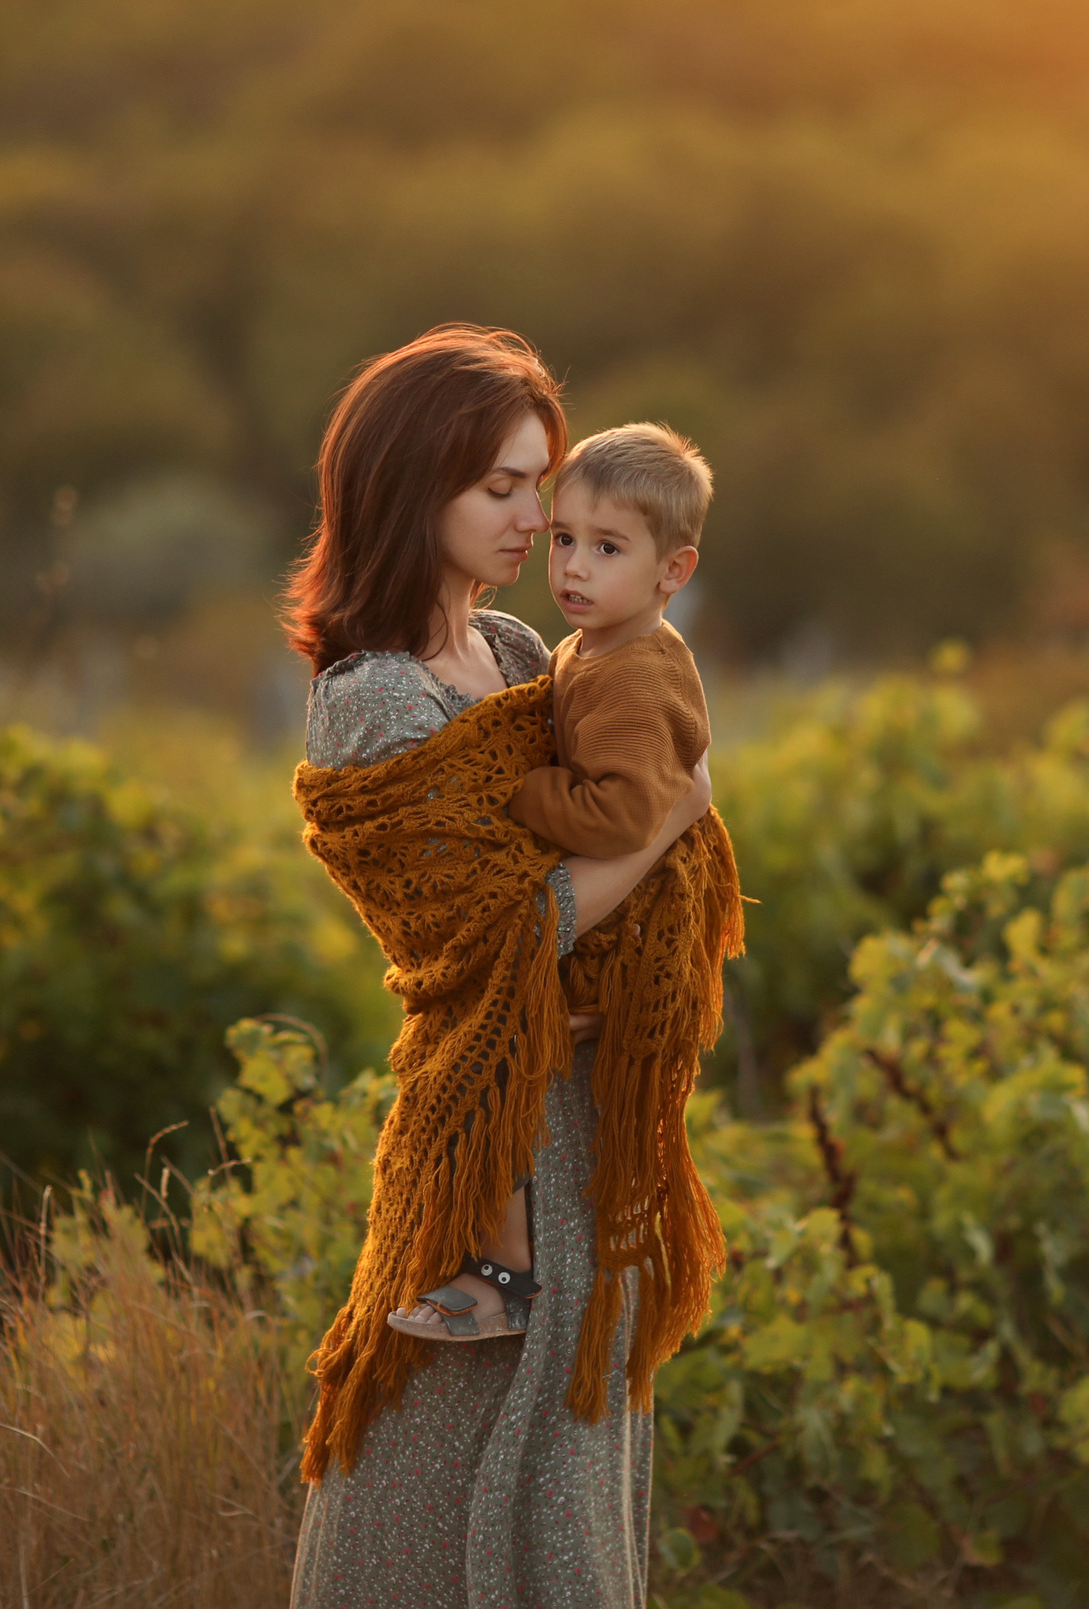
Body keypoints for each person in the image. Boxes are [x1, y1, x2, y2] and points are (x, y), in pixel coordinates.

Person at [281, 327, 743, 1609]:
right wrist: (668, 817)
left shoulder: (530, 660)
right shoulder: (375, 700)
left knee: (572, 1467)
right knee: (427, 1486)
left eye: (542, 487)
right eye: (501, 489)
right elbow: (501, 935)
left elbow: (624, 849)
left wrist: (659, 836)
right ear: (407, 488)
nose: (536, 521)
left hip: (584, 1128)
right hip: (488, 1134)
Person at [390, 422, 718, 1346]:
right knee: (486, 1048)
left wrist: (519, 794)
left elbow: (621, 820)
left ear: (672, 570)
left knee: (490, 1051)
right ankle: (496, 1263)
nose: (571, 566)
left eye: (606, 549)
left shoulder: (633, 681)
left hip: (629, 934)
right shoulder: (585, 650)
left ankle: (504, 1275)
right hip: (602, 918)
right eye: (565, 538)